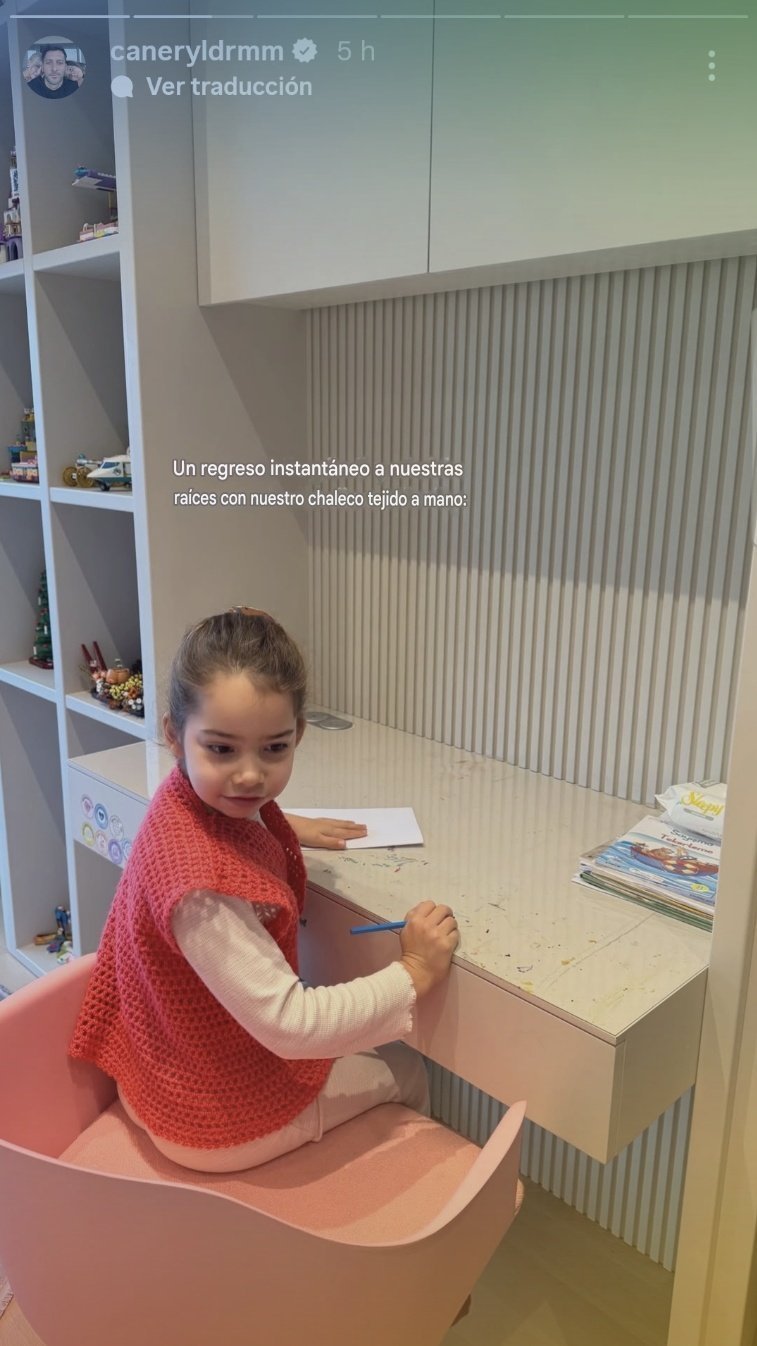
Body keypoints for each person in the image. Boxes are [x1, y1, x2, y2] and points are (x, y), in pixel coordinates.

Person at [70, 607, 458, 1173]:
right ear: (174, 735)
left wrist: (281, 824)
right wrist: (415, 972)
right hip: (207, 1121)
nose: (251, 776)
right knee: (406, 1069)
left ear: (297, 734)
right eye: (222, 750)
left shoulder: (180, 801)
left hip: (155, 1074)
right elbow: (291, 1024)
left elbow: (230, 812)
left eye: (274, 749)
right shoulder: (202, 891)